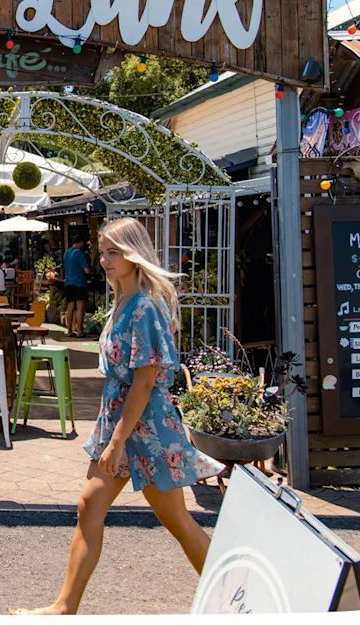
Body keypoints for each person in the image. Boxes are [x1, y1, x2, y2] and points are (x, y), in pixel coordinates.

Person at [13, 218, 224, 615]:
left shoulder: (144, 306)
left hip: (145, 425)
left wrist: (116, 442)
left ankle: (233, 596)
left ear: (134, 254)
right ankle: (64, 607)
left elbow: (144, 384)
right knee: (90, 506)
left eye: (114, 252)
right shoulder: (123, 300)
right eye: (103, 250)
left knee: (178, 522)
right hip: (124, 421)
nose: (105, 259)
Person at [62, 238, 91, 337]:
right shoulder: (79, 253)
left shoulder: (66, 253)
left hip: (68, 282)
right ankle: (79, 331)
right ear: (80, 242)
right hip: (79, 282)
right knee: (80, 307)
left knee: (70, 306)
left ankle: (69, 330)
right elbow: (86, 270)